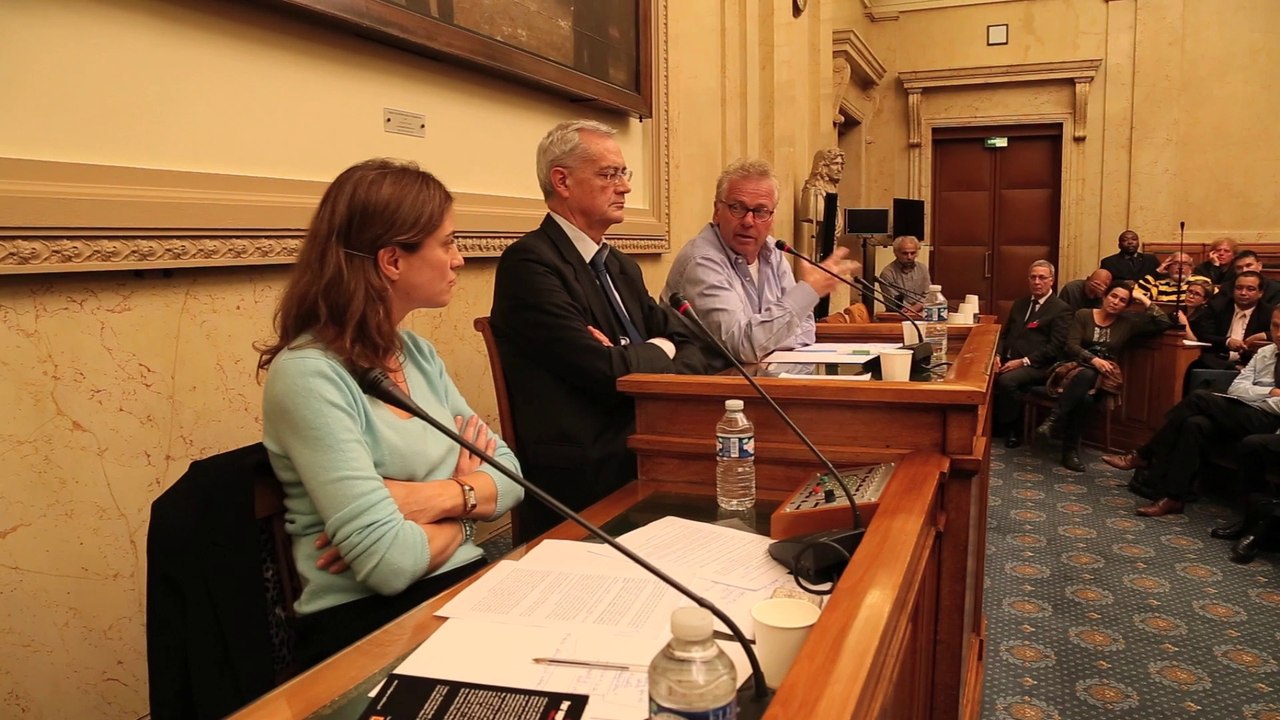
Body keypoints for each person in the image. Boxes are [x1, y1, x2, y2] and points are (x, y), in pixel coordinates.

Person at [257, 159, 525, 669]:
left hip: (460, 592)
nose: (459, 259)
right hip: (368, 629)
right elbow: (388, 564)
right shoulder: (309, 376)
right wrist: (471, 511)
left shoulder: (416, 353)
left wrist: (428, 499)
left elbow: (511, 475)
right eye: (446, 243)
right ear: (392, 261)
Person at [490, 119, 711, 543]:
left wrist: (647, 350)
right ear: (562, 181)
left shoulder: (620, 266)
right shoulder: (531, 265)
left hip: (645, 440)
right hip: (588, 469)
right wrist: (658, 350)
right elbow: (608, 374)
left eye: (623, 174)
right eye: (610, 174)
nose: (625, 187)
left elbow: (697, 347)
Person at [662, 158, 858, 362]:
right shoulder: (702, 262)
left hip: (760, 378)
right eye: (737, 208)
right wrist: (806, 292)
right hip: (709, 385)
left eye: (761, 211)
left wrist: (766, 338)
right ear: (717, 211)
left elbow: (806, 328)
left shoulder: (772, 252)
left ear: (772, 217)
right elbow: (744, 346)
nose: (748, 221)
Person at [1102, 306, 1280, 517]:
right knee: (1194, 423)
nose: (1278, 333)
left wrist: (1257, 396)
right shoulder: (1265, 352)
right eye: (1275, 326)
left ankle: (1145, 454)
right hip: (1246, 410)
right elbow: (1237, 388)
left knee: (1198, 398)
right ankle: (1174, 498)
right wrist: (1269, 391)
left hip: (1272, 422)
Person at [1036, 281, 1173, 471]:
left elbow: (1163, 322)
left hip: (1104, 381)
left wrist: (1142, 298)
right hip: (1074, 370)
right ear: (1104, 296)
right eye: (1113, 296)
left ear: (1126, 306)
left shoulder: (1128, 323)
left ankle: (1054, 419)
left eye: (1123, 300)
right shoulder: (1083, 314)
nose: (1116, 302)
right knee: (1085, 391)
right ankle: (1069, 451)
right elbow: (1071, 345)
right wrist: (1094, 360)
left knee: (1088, 388)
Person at [993, 260, 1072, 448]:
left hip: (1040, 365)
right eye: (1033, 277)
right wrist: (997, 355)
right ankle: (995, 423)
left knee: (1007, 380)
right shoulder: (1020, 304)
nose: (1037, 282)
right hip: (1009, 360)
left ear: (1051, 280)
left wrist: (1023, 361)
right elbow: (1004, 335)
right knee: (983, 374)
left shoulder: (1061, 309)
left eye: (1042, 278)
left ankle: (1012, 429)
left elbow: (1056, 347)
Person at [1189, 270, 1272, 371]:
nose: (1243, 293)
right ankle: (1234, 369)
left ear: (1260, 293)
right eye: (1239, 288)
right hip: (1219, 359)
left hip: (1252, 361)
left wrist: (1264, 335)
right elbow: (1203, 334)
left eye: (1250, 289)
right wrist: (1227, 341)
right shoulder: (1217, 306)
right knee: (1200, 359)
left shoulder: (1268, 312)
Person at [877, 235, 930, 311]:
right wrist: (912, 309)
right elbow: (895, 301)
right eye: (905, 253)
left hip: (922, 313)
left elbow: (928, 293)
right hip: (897, 315)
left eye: (913, 253)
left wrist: (917, 307)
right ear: (895, 252)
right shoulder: (887, 273)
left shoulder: (923, 268)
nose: (909, 257)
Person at [1134, 252, 1210, 304]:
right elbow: (1137, 298)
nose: (1180, 267)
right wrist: (1156, 272)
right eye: (1176, 263)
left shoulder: (1201, 281)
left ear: (1191, 268)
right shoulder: (1159, 285)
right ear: (1168, 266)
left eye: (1185, 264)